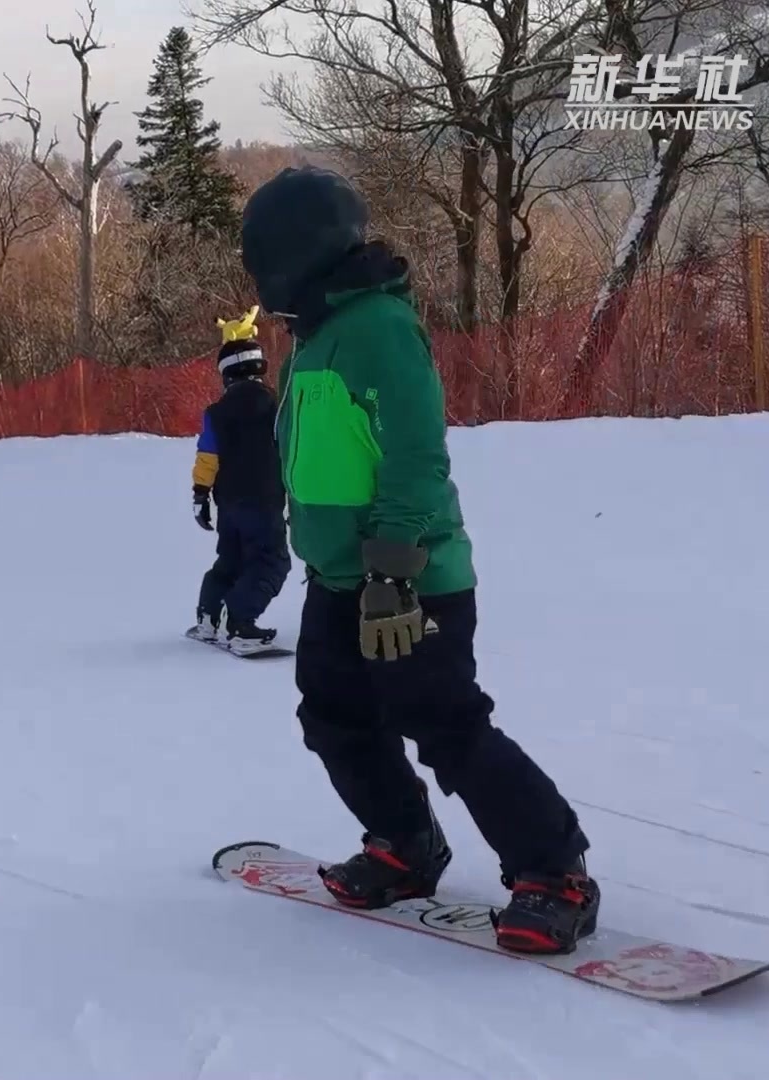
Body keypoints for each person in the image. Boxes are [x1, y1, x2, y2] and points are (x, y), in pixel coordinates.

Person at [239, 165, 598, 954]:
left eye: (262, 259)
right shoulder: (311, 339)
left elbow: (413, 457)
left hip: (409, 581)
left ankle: (554, 871)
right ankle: (405, 843)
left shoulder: (376, 327)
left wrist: (393, 571)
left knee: (444, 724)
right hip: (338, 580)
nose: (258, 281)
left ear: (299, 251)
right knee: (334, 717)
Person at [187, 304, 292, 653]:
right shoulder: (276, 407)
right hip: (264, 501)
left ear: (226, 374)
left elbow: (207, 456)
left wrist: (201, 495)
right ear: (260, 366)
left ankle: (208, 616)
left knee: (231, 559)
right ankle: (240, 621)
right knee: (271, 562)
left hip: (229, 504)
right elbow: (292, 450)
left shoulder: (216, 413)